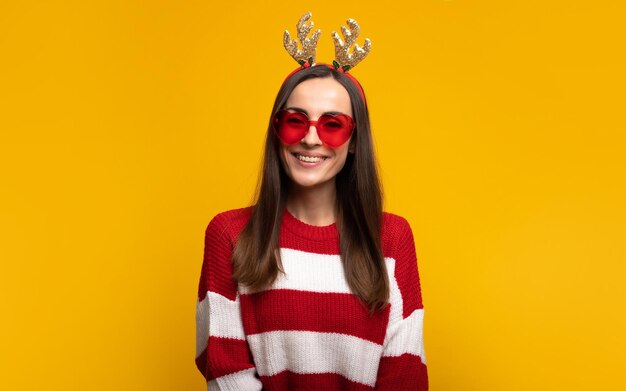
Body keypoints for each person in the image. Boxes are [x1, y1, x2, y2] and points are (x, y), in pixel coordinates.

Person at [195, 13, 428, 390]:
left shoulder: (393, 238)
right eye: (296, 121)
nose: (311, 139)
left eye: (332, 125)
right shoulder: (229, 234)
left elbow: (405, 373)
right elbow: (224, 369)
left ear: (355, 142)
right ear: (277, 131)